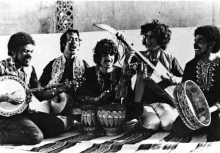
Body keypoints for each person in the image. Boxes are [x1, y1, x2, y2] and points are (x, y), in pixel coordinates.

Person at [0, 32, 70, 145]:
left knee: (58, 126)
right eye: (25, 51)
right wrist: (7, 97)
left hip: (23, 113)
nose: (29, 55)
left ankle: (22, 129)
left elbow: (40, 94)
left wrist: (59, 90)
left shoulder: (29, 69)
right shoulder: (1, 67)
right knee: (36, 136)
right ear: (13, 51)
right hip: (3, 117)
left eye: (31, 51)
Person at [125, 19, 183, 132]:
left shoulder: (170, 58)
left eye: (151, 37)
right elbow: (126, 76)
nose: (147, 40)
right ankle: (134, 124)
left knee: (168, 124)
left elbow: (184, 79)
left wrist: (175, 79)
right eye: (146, 37)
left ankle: (167, 115)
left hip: (165, 102)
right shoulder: (139, 56)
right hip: (145, 103)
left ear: (160, 39)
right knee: (152, 125)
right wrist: (127, 61)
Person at [77, 39, 146, 132]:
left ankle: (122, 123)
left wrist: (120, 103)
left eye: (111, 54)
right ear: (98, 57)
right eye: (104, 55)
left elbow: (128, 96)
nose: (109, 58)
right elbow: (81, 96)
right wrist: (97, 99)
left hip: (116, 111)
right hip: (97, 110)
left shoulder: (120, 72)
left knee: (137, 107)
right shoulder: (90, 72)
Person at [172, 25, 220, 142]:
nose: (195, 45)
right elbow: (185, 93)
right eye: (195, 41)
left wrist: (211, 110)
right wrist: (192, 113)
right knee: (177, 128)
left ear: (211, 44)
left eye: (200, 41)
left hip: (215, 111)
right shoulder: (190, 66)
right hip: (195, 113)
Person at [37, 29, 89, 123]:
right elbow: (40, 89)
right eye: (71, 39)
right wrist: (55, 92)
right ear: (63, 44)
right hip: (54, 105)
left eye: (76, 39)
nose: (74, 42)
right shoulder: (52, 64)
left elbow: (89, 90)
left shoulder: (84, 65)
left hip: (76, 107)